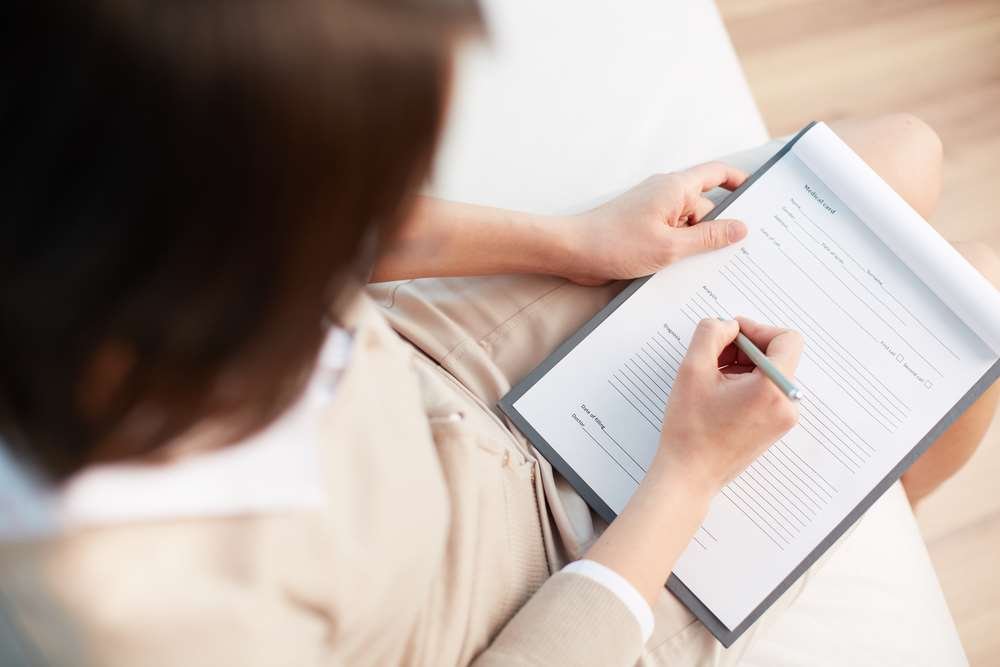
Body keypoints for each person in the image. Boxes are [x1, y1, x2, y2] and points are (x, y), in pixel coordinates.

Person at [1, 1, 998, 665]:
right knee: (965, 338)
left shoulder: (86, 181)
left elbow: (332, 226)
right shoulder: (143, 613)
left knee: (898, 157)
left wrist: (574, 242)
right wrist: (690, 476)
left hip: (443, 367)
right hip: (514, 599)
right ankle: (830, 520)